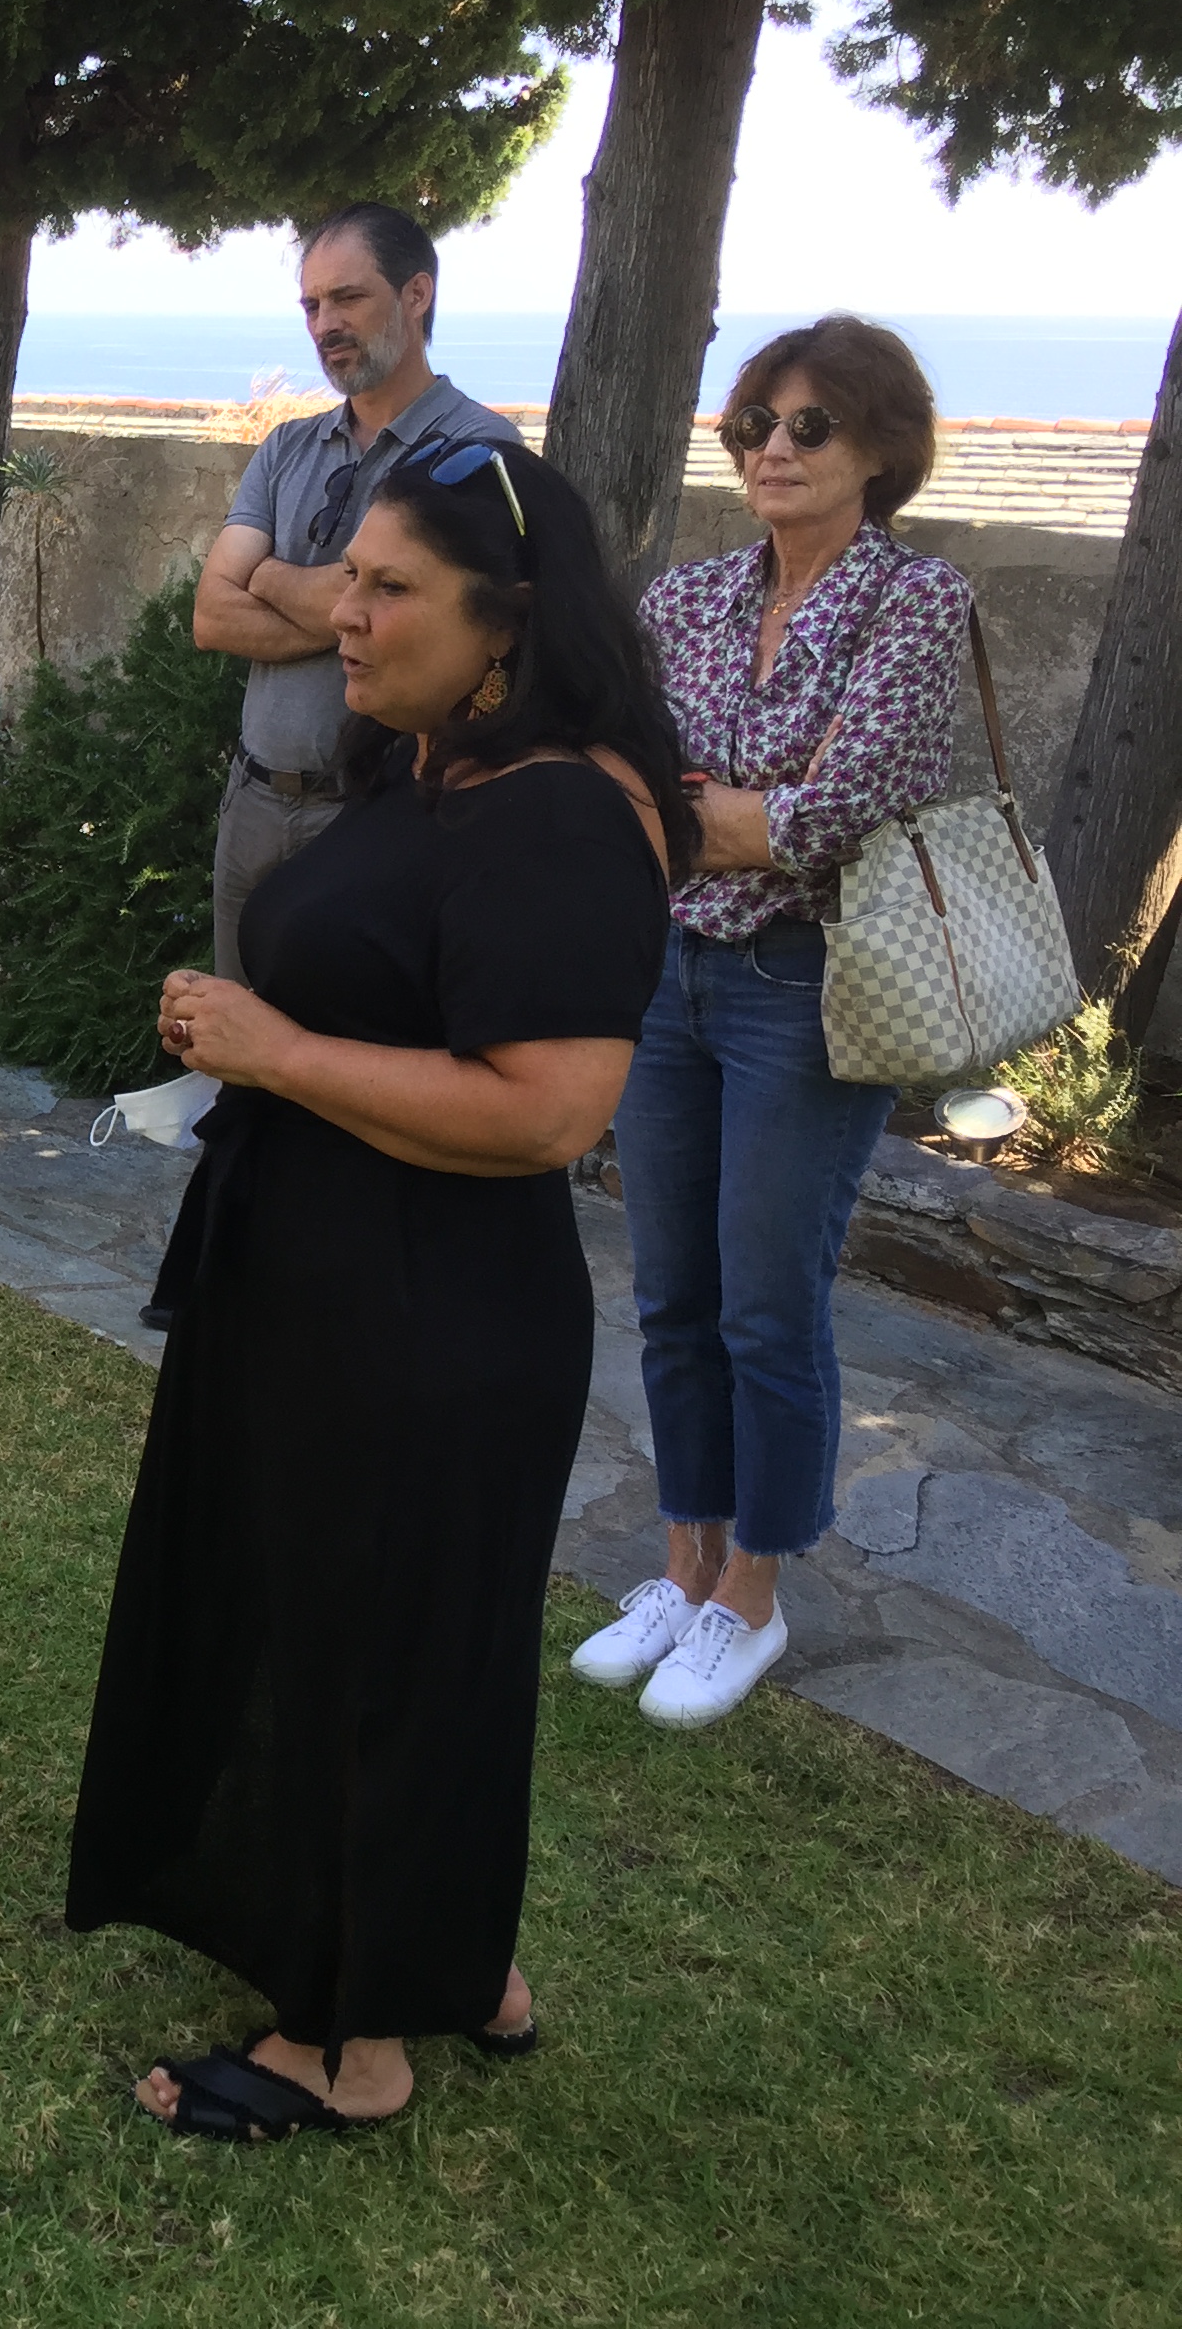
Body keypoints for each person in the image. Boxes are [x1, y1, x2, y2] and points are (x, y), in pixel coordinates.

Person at [71, 441, 692, 2140]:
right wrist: (248, 1037)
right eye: (343, 573)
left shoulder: (563, 810)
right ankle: (455, 1956)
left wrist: (277, 1046)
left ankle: (348, 2050)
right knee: (405, 1645)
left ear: (504, 622)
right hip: (329, 1278)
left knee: (380, 1650)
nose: (335, 609)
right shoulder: (435, 774)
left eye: (384, 586)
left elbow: (548, 1109)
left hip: (429, 1317)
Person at [574, 318, 971, 1728]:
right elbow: (642, 780)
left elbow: (845, 804)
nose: (775, 450)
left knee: (765, 1301)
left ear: (879, 448)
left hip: (809, 985)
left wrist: (736, 814)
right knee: (672, 1290)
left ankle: (754, 1592)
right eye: (754, 424)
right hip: (669, 975)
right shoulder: (686, 599)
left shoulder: (916, 603)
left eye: (809, 426)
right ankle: (683, 1567)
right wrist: (740, 813)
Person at [191, 205, 524, 985]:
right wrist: (358, 595)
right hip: (254, 798)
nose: (325, 323)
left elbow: (425, 622)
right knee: (235, 1043)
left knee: (348, 1040)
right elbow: (211, 613)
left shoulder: (475, 453)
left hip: (377, 805)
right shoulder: (288, 447)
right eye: (311, 305)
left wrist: (265, 574)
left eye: (348, 298)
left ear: (416, 295)